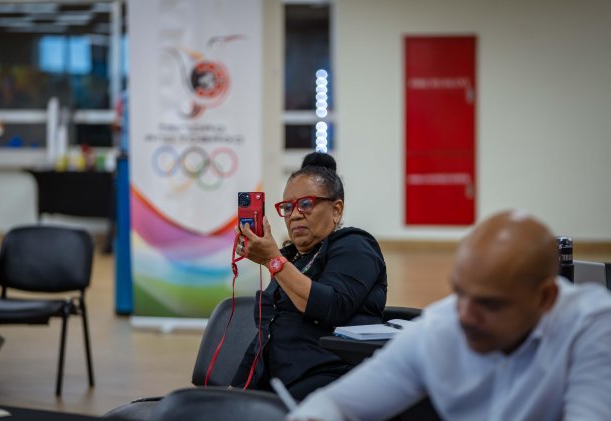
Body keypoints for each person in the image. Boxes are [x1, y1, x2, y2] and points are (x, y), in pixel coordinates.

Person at [288, 210, 611, 421]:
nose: (466, 315)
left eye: (489, 304)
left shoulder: (591, 325)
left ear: (546, 298)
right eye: (460, 292)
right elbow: (336, 403)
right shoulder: (443, 326)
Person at [232, 152, 387, 400]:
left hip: (328, 384)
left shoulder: (355, 245)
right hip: (277, 386)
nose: (294, 215)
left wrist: (273, 261)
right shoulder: (291, 258)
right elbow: (267, 335)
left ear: (336, 210)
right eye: (287, 207)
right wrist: (236, 389)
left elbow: (330, 306)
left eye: (306, 204)